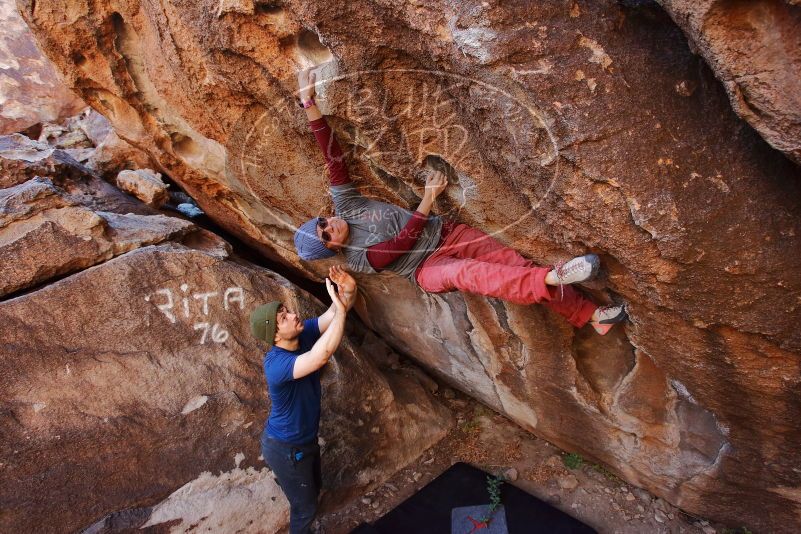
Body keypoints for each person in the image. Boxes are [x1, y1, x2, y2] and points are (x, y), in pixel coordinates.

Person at [292, 67, 625, 335]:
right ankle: (552, 277)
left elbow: (333, 158)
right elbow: (397, 246)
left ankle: (593, 316)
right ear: (332, 248)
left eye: (321, 222)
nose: (328, 226)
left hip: (448, 233)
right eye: (325, 236)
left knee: (516, 266)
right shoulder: (358, 259)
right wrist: (427, 199)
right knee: (472, 273)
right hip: (427, 268)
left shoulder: (346, 207)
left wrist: (309, 103)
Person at [249, 265, 357, 533]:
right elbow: (320, 356)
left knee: (314, 491)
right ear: (274, 335)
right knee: (304, 508)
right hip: (286, 448)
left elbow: (334, 313)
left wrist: (348, 287)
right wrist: (341, 311)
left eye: (287, 311)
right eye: (284, 318)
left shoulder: (302, 334)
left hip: (302, 442)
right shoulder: (276, 364)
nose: (293, 315)